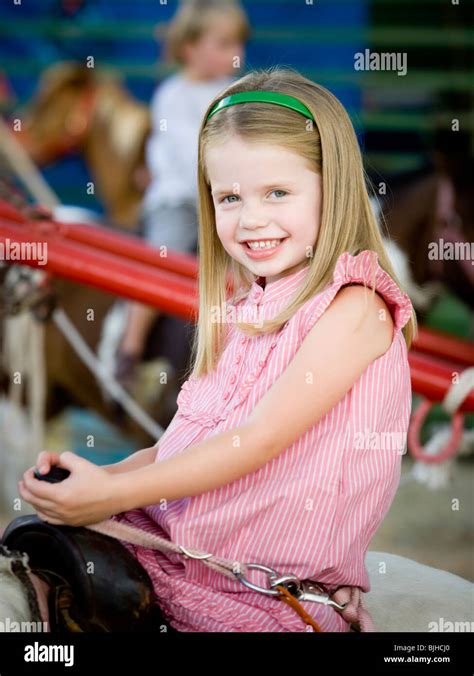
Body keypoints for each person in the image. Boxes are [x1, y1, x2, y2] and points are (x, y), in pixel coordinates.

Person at [19, 67, 417, 633]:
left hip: (246, 585)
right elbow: (185, 444)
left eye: (277, 192)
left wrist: (114, 493)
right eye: (229, 197)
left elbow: (256, 441)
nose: (251, 219)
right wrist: (102, 482)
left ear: (335, 186)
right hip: (180, 551)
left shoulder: (354, 308)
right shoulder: (246, 309)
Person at [114, 0, 250, 391]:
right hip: (180, 198)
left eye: (239, 43)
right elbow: (193, 153)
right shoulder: (172, 95)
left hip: (226, 198)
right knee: (165, 253)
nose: (236, 54)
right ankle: (131, 343)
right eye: (224, 44)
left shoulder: (237, 92)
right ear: (190, 48)